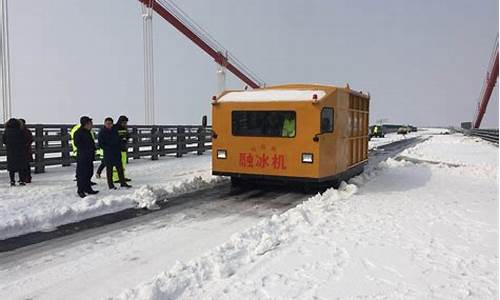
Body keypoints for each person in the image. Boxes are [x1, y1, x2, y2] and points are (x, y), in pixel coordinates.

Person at [97, 117, 131, 189]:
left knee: (120, 168)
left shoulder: (115, 130)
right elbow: (100, 144)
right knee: (109, 170)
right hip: (108, 153)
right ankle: (111, 185)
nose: (108, 125)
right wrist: (107, 148)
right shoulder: (102, 132)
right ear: (105, 124)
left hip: (117, 152)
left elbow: (120, 139)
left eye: (110, 124)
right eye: (107, 124)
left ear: (112, 124)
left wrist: (122, 143)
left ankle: (123, 183)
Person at [74, 116, 98, 198]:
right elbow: (77, 144)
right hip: (82, 156)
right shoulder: (78, 133)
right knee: (82, 174)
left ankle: (88, 188)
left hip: (89, 156)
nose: (91, 125)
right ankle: (80, 190)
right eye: (90, 123)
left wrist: (93, 148)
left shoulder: (88, 132)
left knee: (89, 173)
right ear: (85, 124)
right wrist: (87, 148)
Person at [2, 118, 27, 186]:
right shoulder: (20, 131)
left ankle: (12, 181)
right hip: (20, 150)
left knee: (11, 166)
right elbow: (24, 139)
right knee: (21, 166)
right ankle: (21, 180)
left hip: (10, 150)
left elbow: (4, 141)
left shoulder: (6, 131)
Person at [113, 115, 131, 183]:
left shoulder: (125, 128)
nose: (125, 124)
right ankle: (115, 178)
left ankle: (122, 176)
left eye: (126, 123)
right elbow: (114, 137)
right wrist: (120, 139)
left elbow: (128, 135)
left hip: (124, 148)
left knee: (123, 163)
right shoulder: (115, 128)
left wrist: (127, 137)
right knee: (116, 164)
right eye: (124, 122)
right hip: (117, 149)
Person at [19, 119, 33, 183]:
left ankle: (28, 178)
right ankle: (23, 178)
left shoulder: (26, 131)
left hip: (26, 150)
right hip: (22, 150)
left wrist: (26, 144)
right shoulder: (20, 130)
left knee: (26, 165)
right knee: (22, 165)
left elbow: (30, 139)